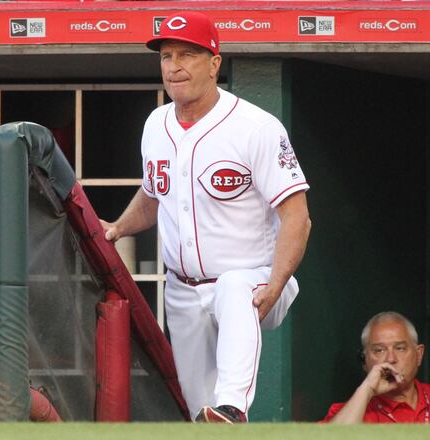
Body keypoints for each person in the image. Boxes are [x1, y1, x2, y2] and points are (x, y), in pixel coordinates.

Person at [99, 11, 311, 423]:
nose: (174, 66)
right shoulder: (156, 124)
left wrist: (276, 283)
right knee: (201, 414)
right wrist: (119, 227)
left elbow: (297, 217)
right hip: (184, 289)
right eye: (167, 56)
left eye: (187, 55)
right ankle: (221, 416)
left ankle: (234, 404)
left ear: (214, 63)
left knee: (234, 287)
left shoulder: (256, 127)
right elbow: (154, 193)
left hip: (254, 277)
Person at [322, 311, 430, 423]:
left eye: (400, 348)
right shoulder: (348, 411)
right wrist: (367, 389)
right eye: (379, 350)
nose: (390, 359)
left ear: (418, 355)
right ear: (365, 361)